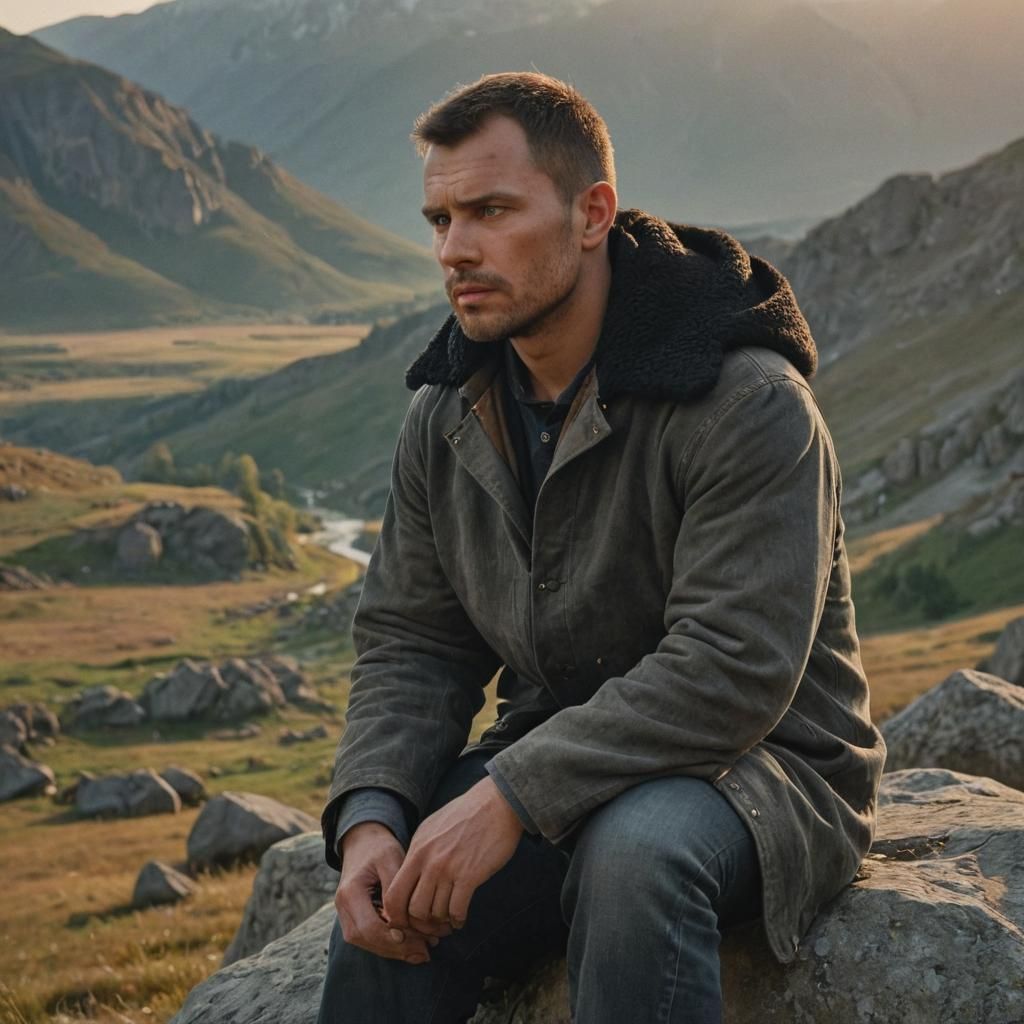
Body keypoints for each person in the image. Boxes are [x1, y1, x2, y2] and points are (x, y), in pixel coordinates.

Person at [317, 71, 885, 1024]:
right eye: (440, 220)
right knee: (392, 886)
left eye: (492, 210)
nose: (455, 249)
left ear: (592, 214)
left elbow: (733, 666)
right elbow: (414, 642)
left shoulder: (745, 400)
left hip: (763, 769)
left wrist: (509, 794)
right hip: (557, 753)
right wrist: (372, 812)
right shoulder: (447, 412)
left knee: (637, 853)